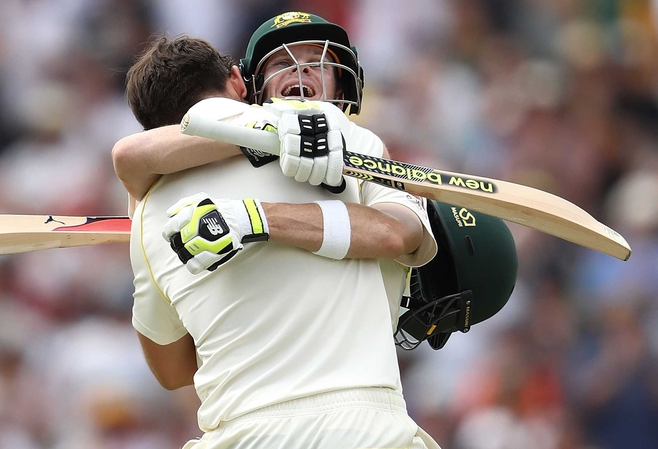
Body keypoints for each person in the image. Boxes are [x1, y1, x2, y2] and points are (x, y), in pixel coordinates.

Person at [115, 12, 442, 448]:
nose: (302, 71)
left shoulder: (147, 216)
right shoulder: (337, 134)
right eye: (283, 62)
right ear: (241, 82)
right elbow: (397, 236)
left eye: (317, 62)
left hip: (237, 435)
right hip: (364, 430)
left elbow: (172, 373)